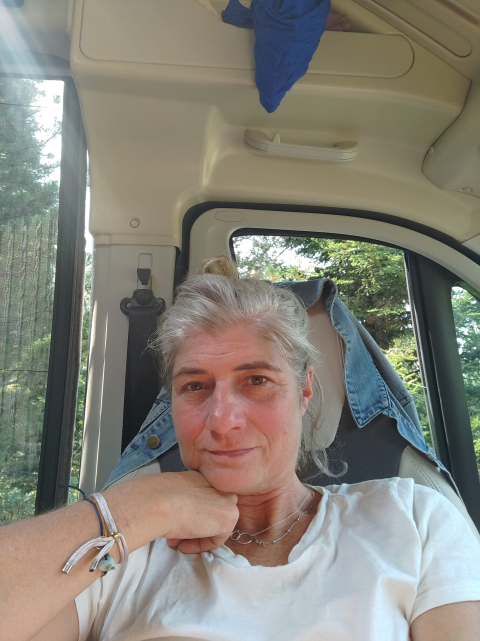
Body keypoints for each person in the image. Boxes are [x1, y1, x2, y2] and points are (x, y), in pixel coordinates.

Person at [1, 256, 480, 641]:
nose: (222, 419)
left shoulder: (414, 519)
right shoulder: (116, 551)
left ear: (305, 389)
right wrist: (139, 507)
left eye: (256, 380)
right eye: (194, 386)